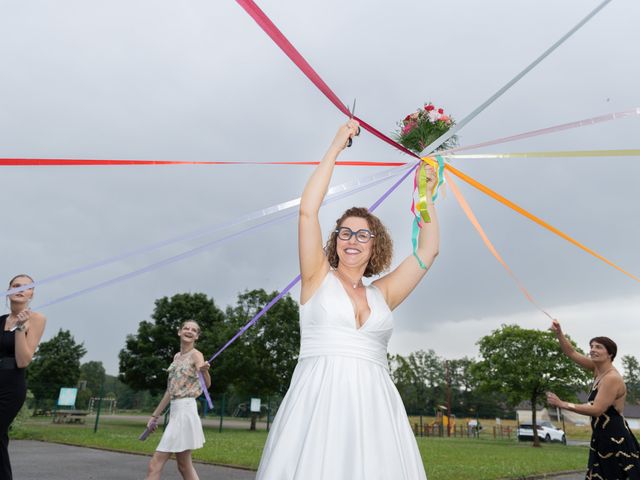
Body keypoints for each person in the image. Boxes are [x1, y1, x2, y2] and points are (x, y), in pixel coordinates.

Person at [256, 120, 439, 479]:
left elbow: (428, 251)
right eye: (345, 232)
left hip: (375, 407)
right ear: (335, 240)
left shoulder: (383, 293)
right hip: (319, 402)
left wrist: (426, 195)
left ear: (375, 245)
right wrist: (337, 145)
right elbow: (308, 210)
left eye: (362, 234)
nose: (352, 239)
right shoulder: (316, 278)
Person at [546, 319, 640, 479]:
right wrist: (559, 333)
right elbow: (571, 353)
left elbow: (597, 409)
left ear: (610, 354)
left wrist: (563, 404)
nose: (592, 350)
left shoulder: (611, 378)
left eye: (598, 347)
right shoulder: (598, 369)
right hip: (601, 437)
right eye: (591, 346)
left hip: (615, 440)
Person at [145, 320, 211, 480]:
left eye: (193, 330)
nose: (189, 331)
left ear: (197, 336)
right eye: (186, 328)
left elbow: (206, 385)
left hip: (185, 412)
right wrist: (154, 416)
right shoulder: (176, 357)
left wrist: (205, 372)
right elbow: (170, 391)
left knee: (155, 464)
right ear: (179, 332)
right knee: (184, 466)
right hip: (176, 412)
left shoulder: (196, 355)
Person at [0, 274, 47, 480]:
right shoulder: (0, 321)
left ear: (31, 294)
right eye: (15, 285)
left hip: (11, 386)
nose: (20, 289)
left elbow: (23, 361)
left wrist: (20, 328)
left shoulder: (36, 319)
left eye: (26, 287)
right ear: (8, 291)